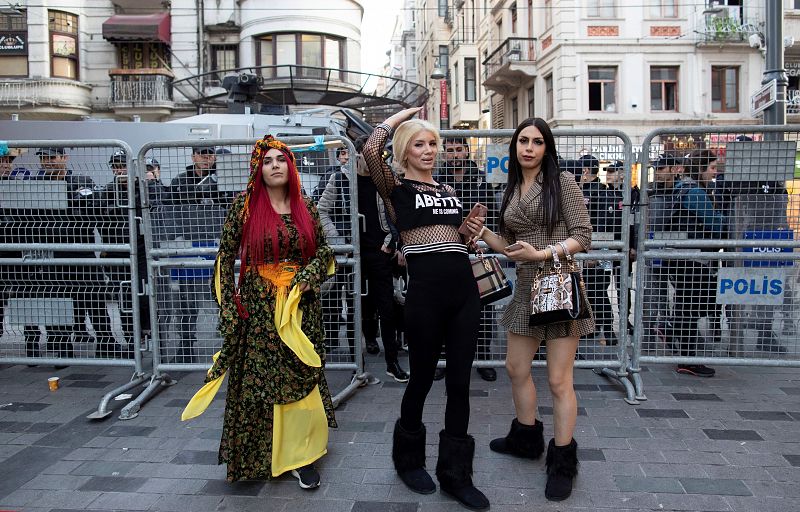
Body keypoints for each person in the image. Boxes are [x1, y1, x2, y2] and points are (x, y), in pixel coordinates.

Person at [363, 107, 489, 511]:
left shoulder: (449, 190)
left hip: (464, 293)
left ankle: (456, 474)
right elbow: (370, 147)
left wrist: (467, 231)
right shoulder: (395, 188)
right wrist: (401, 117)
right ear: (404, 150)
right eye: (420, 143)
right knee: (419, 380)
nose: (429, 149)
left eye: (433, 142)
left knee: (458, 383)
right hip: (425, 296)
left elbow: (457, 243)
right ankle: (409, 461)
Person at [469, 118, 593, 502]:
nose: (529, 148)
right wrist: (480, 232)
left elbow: (583, 236)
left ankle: (562, 462)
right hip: (525, 285)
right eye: (523, 140)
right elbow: (509, 245)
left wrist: (543, 253)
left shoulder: (563, 182)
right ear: (515, 146)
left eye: (537, 142)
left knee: (559, 380)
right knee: (515, 368)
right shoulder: (510, 188)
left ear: (546, 148)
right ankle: (525, 438)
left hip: (558, 284)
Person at [207, 134, 337, 488]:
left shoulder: (305, 206)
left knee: (298, 373)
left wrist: (310, 276)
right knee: (262, 381)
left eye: (281, 160)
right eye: (267, 161)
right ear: (258, 168)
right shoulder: (245, 207)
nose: (275, 166)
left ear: (291, 167)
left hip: (300, 309)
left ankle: (301, 454)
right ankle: (261, 454)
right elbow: (224, 257)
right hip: (259, 309)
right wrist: (228, 308)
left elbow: (324, 252)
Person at [317, 144, 409, 382]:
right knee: (354, 308)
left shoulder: (385, 179)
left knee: (387, 308)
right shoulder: (340, 178)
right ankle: (357, 366)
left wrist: (392, 240)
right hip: (352, 254)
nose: (371, 158)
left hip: (380, 251)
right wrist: (339, 241)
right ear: (356, 153)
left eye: (376, 154)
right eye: (366, 153)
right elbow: (321, 211)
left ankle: (392, 363)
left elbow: (398, 212)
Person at [22, 147, 113, 365]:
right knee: (57, 300)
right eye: (44, 159)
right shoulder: (35, 184)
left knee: (95, 297)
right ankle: (61, 348)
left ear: (64, 158)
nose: (48, 162)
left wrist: (65, 208)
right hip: (51, 253)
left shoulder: (81, 180)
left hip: (81, 250)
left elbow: (92, 211)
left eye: (52, 157)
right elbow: (30, 216)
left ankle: (106, 343)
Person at [436, 137, 497, 381]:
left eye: (459, 149)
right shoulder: (437, 181)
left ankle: (483, 358)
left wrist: (480, 234)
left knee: (484, 307)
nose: (454, 155)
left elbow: (494, 214)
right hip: (447, 252)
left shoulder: (482, 180)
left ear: (467, 150)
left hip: (477, 251)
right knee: (443, 308)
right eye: (449, 151)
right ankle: (442, 359)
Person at [668, 149, 726, 377]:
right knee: (691, 309)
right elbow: (714, 223)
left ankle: (684, 352)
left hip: (682, 257)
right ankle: (689, 360)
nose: (714, 172)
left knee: (685, 307)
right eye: (711, 167)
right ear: (700, 168)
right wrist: (728, 216)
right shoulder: (696, 193)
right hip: (694, 260)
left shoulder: (681, 189)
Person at [579, 154, 616, 345]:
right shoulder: (588, 191)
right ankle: (594, 327)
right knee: (593, 290)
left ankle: (607, 329)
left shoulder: (598, 192)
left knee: (597, 289)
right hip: (591, 249)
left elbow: (602, 224)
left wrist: (594, 252)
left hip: (595, 249)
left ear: (585, 171)